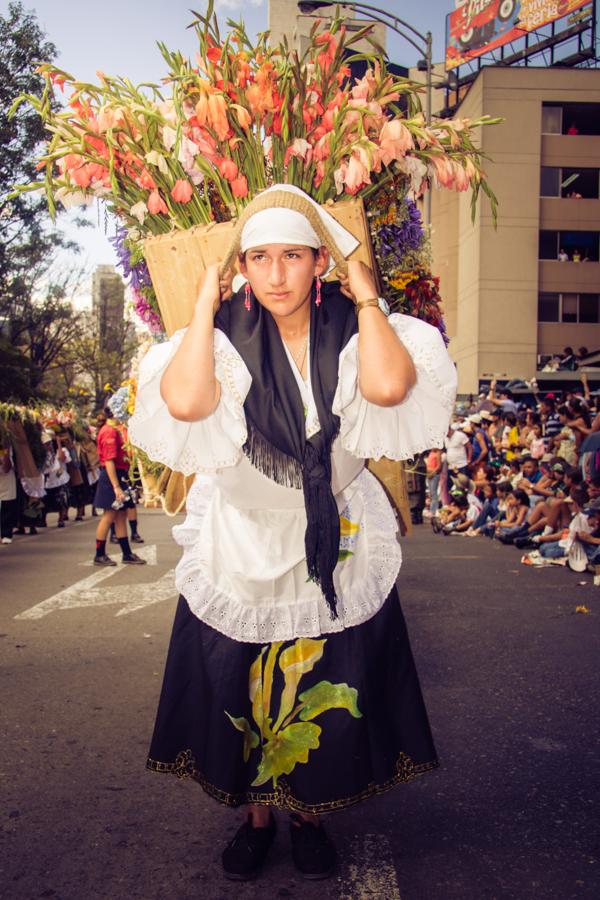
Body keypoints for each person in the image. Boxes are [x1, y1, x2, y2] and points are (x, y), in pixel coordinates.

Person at [129, 184, 457, 881]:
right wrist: (200, 304)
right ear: (240, 268)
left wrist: (367, 296)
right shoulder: (217, 336)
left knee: (320, 679)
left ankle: (309, 814)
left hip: (333, 531)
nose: (276, 274)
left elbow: (391, 389)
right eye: (259, 258)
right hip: (241, 536)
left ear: (319, 263)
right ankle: (256, 818)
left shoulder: (354, 321)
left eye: (292, 256)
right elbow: (185, 402)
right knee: (243, 683)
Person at [93, 405, 146, 567]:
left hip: (119, 476)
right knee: (109, 515)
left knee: (121, 515)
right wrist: (116, 487)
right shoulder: (109, 431)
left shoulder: (115, 429)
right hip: (112, 477)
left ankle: (127, 553)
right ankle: (99, 554)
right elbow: (109, 461)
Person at [0, 442, 17, 544]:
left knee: (6, 509)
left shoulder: (8, 449)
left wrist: (6, 452)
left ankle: (6, 534)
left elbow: (7, 468)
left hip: (6, 482)